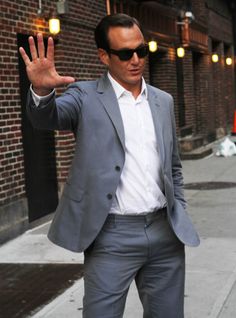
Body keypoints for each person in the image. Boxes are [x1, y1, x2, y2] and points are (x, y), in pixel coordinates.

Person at [19, 13, 200, 318]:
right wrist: (41, 91)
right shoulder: (84, 96)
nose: (135, 60)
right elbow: (46, 118)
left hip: (165, 232)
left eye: (141, 51)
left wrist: (178, 207)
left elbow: (174, 167)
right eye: (125, 53)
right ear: (104, 56)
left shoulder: (163, 100)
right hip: (111, 236)